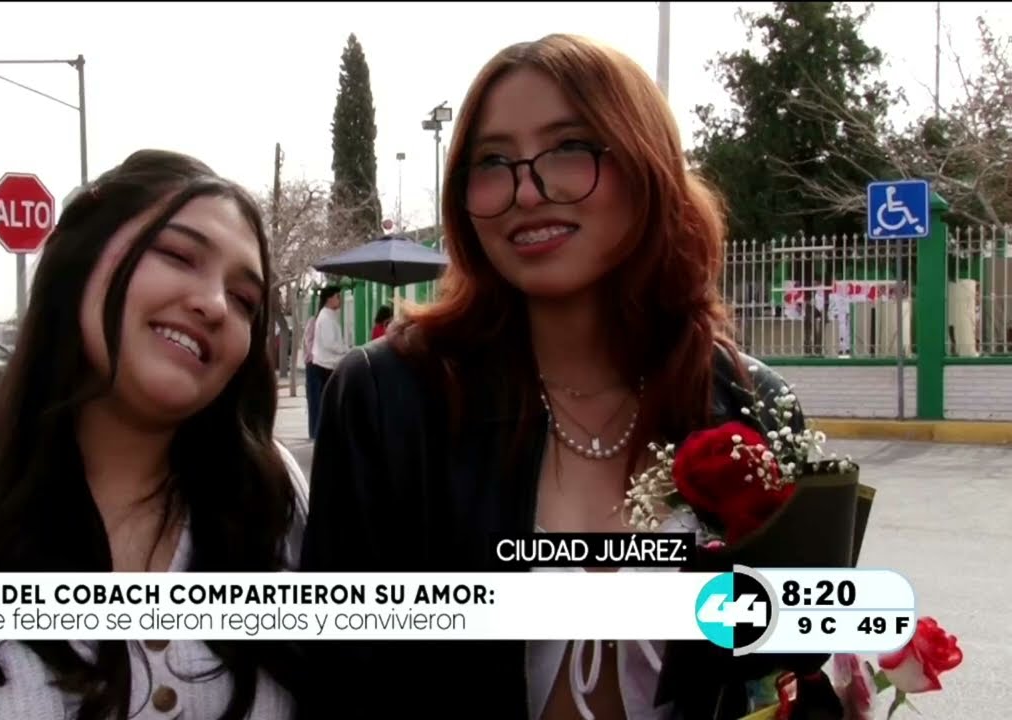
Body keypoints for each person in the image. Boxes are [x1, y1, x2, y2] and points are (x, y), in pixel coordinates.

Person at [297, 35, 810, 720]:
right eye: (492, 162)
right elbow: (341, 684)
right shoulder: (390, 398)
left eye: (569, 147)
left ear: (647, 163)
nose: (527, 190)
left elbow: (786, 670)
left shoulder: (749, 403)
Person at [0, 149, 309, 720]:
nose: (214, 304)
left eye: (244, 300)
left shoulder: (269, 493)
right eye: (177, 255)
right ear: (80, 259)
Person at [307, 285, 347, 399]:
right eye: (337, 296)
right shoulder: (325, 318)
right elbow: (330, 343)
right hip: (325, 366)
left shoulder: (330, 315)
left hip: (329, 365)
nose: (340, 300)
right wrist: (346, 350)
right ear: (329, 299)